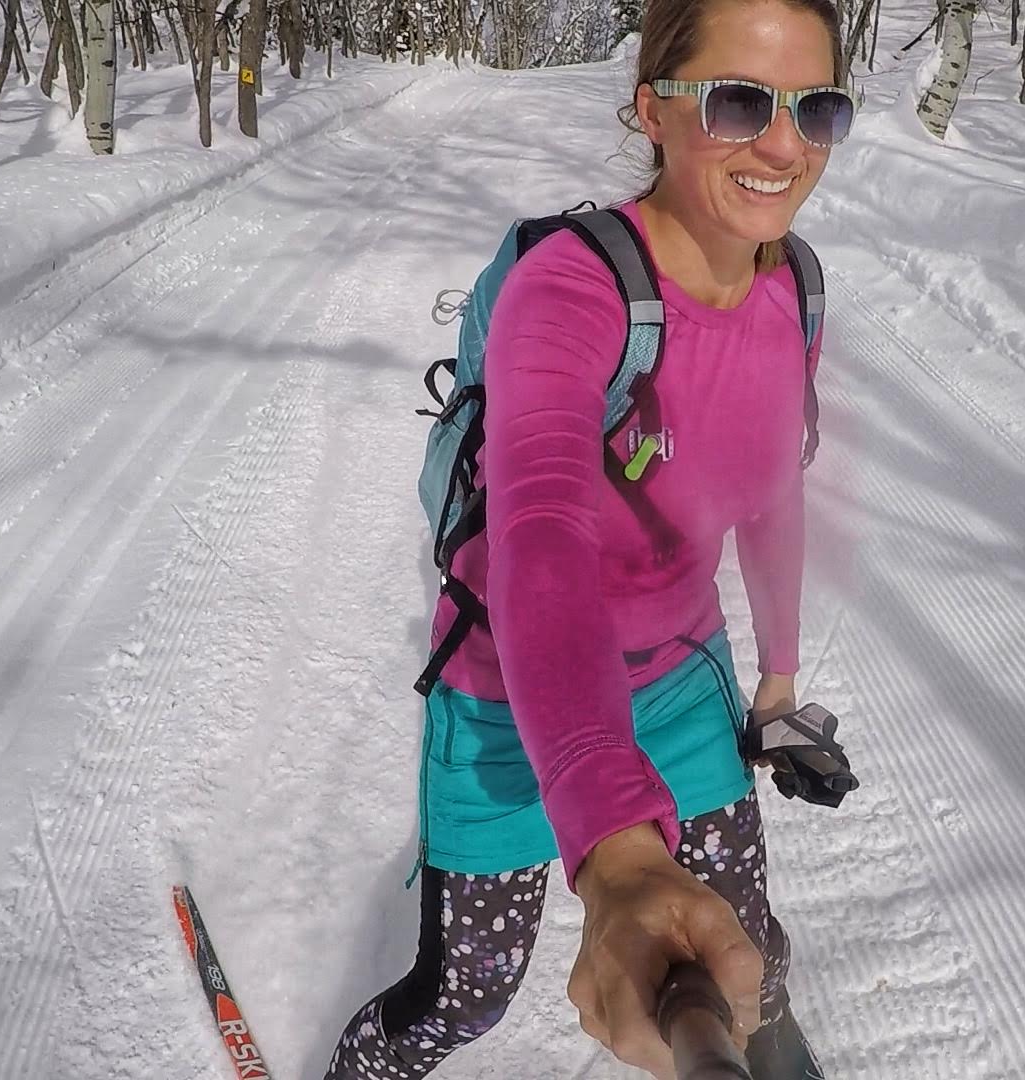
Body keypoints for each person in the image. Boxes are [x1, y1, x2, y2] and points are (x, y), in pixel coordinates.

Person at [324, 1, 854, 1077]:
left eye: (818, 109)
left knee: (751, 949)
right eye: (740, 103)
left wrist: (778, 682)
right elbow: (541, 537)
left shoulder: (792, 286)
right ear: (651, 108)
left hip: (678, 681)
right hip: (509, 696)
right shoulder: (567, 288)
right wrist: (614, 846)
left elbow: (771, 490)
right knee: (464, 997)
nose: (786, 145)